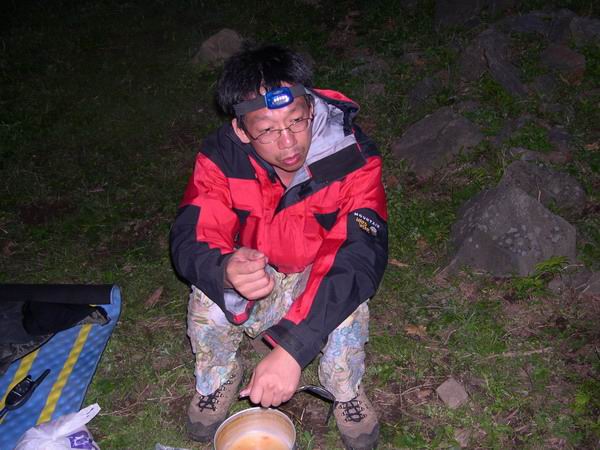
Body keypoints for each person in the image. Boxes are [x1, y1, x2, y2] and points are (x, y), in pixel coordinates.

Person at [170, 44, 388, 450]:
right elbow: (192, 232)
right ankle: (217, 379)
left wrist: (292, 350)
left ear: (311, 107)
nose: (288, 143)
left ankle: (345, 390)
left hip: (318, 277)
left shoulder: (352, 156)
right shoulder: (221, 157)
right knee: (207, 286)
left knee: (346, 292)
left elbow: (360, 253)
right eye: (267, 131)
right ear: (241, 130)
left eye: (297, 121)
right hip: (260, 275)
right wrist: (225, 269)